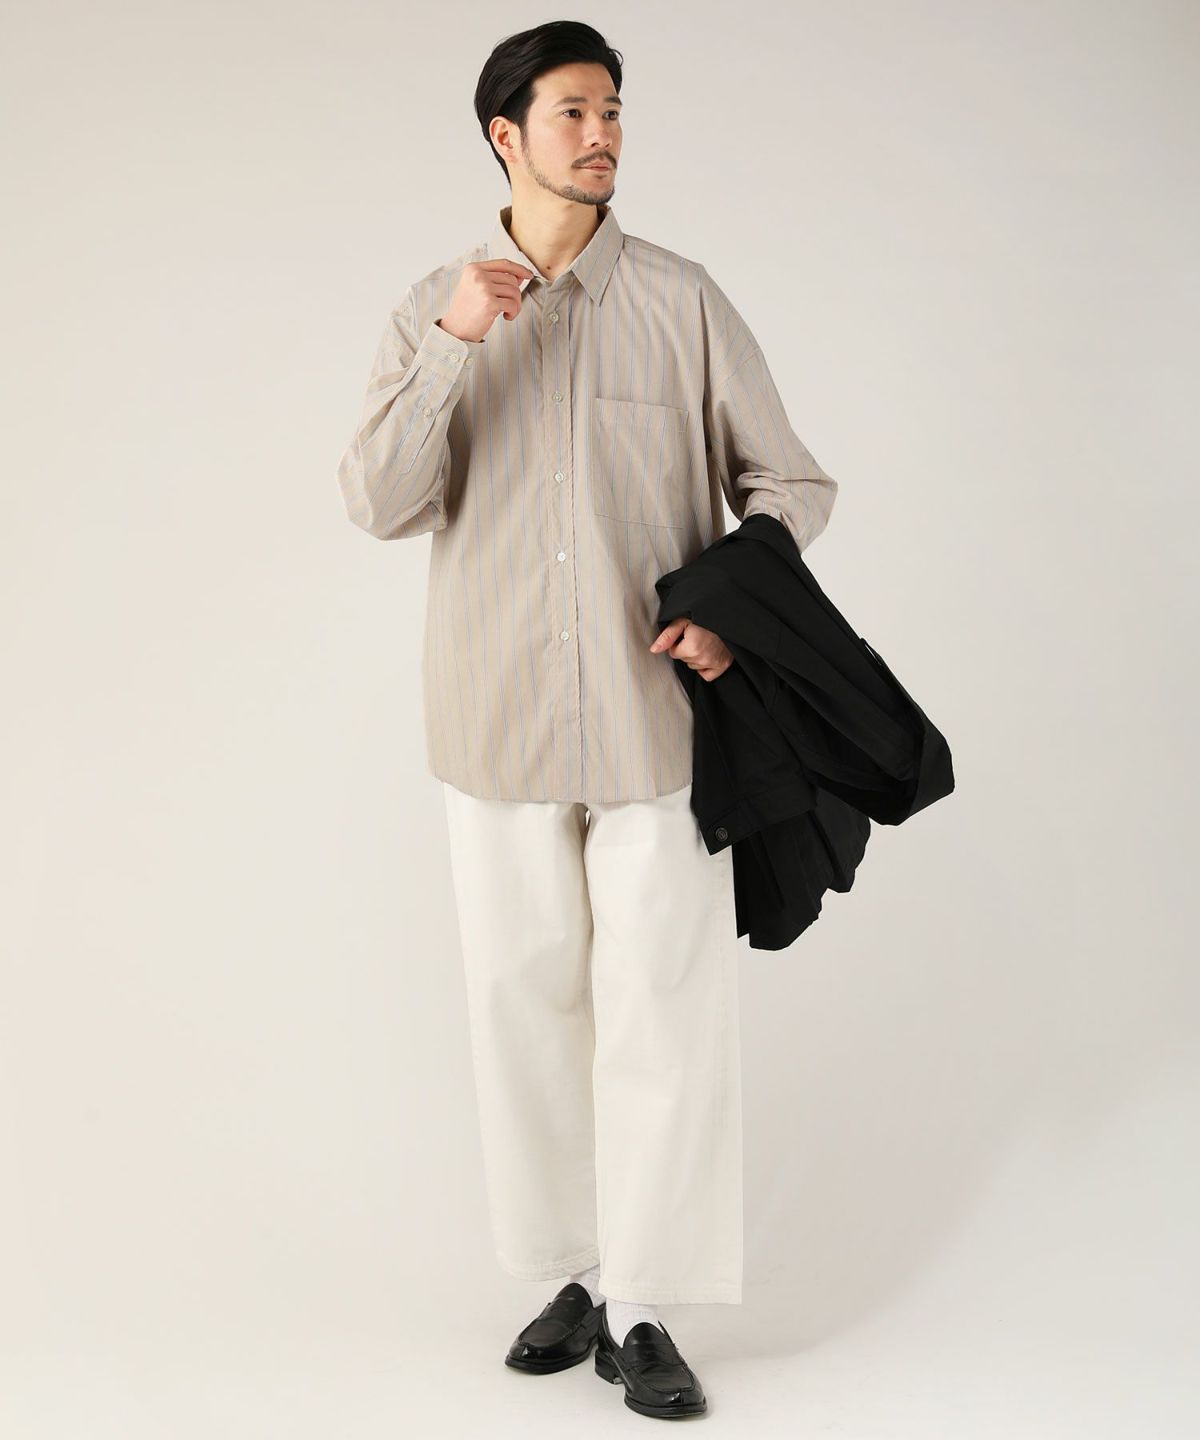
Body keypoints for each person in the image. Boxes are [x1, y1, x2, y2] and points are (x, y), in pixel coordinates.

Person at [336, 19, 837, 1419]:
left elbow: (790, 483)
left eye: (612, 110)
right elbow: (378, 502)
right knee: (524, 1004)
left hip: (653, 719)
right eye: (573, 111)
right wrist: (456, 343)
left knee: (663, 1012)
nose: (602, 133)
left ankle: (646, 1303)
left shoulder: (680, 300)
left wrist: (733, 611)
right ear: (506, 136)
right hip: (491, 717)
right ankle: (571, 1271)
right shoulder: (432, 310)